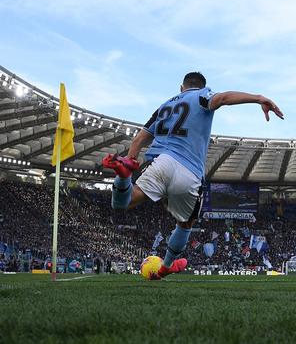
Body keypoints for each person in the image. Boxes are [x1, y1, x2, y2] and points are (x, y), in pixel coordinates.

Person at [102, 72, 283, 279]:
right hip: (189, 171)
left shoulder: (164, 107)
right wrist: (259, 97)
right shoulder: (202, 95)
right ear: (202, 86)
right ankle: (166, 266)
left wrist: (131, 160)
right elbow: (222, 99)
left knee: (124, 202)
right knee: (185, 224)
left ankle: (123, 175)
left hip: (160, 161)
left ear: (181, 87)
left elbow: (139, 139)